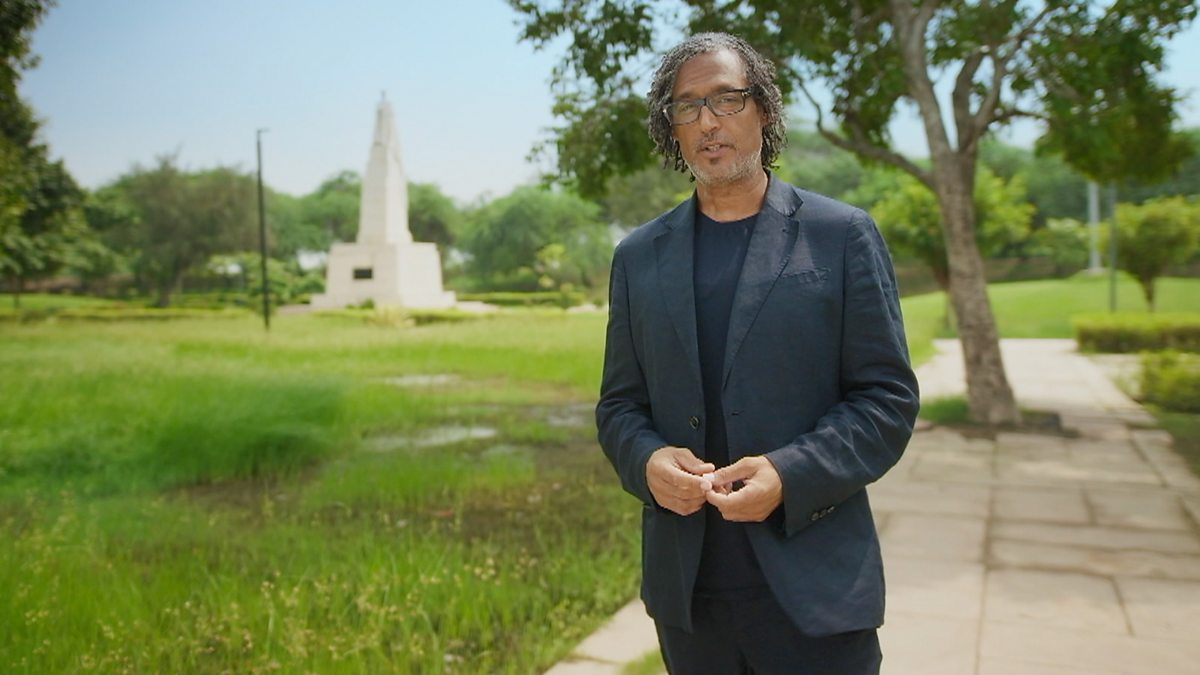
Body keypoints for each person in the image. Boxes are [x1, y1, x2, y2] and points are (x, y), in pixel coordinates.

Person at [595, 32, 920, 674]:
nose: (708, 121)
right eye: (687, 107)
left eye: (727, 99)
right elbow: (620, 406)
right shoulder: (638, 257)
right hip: (690, 597)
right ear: (671, 128)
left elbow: (886, 400)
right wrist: (646, 460)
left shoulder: (840, 235)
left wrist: (790, 474)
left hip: (816, 589)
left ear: (764, 110)